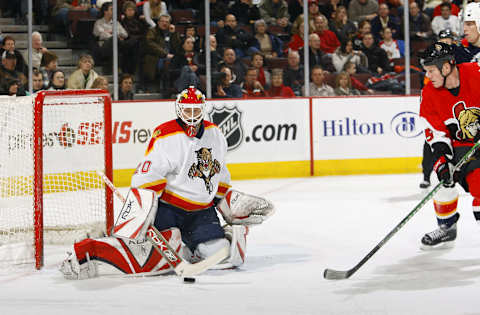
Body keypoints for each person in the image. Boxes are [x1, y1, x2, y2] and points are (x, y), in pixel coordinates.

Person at [59, 86, 274, 279]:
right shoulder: (165, 135)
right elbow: (146, 176)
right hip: (170, 209)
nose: (191, 116)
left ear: (203, 109)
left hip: (202, 213)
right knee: (148, 256)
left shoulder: (215, 134)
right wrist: (142, 214)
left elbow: (220, 173)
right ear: (179, 109)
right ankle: (89, 252)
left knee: (220, 255)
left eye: (196, 110)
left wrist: (226, 203)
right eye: (187, 111)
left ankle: (192, 246)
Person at [418, 41, 480, 248]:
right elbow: (436, 134)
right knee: (445, 178)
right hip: (463, 146)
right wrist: (443, 161)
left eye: (431, 70)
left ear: (446, 67)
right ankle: (446, 227)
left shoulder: (475, 71)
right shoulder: (429, 94)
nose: (428, 76)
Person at [93, 2, 135, 74]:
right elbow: (101, 35)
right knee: (114, 40)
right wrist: (116, 35)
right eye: (112, 9)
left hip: (117, 45)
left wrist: (111, 32)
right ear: (105, 11)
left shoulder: (116, 22)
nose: (114, 11)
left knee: (132, 41)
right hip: (103, 47)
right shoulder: (99, 22)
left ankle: (128, 69)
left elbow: (125, 34)